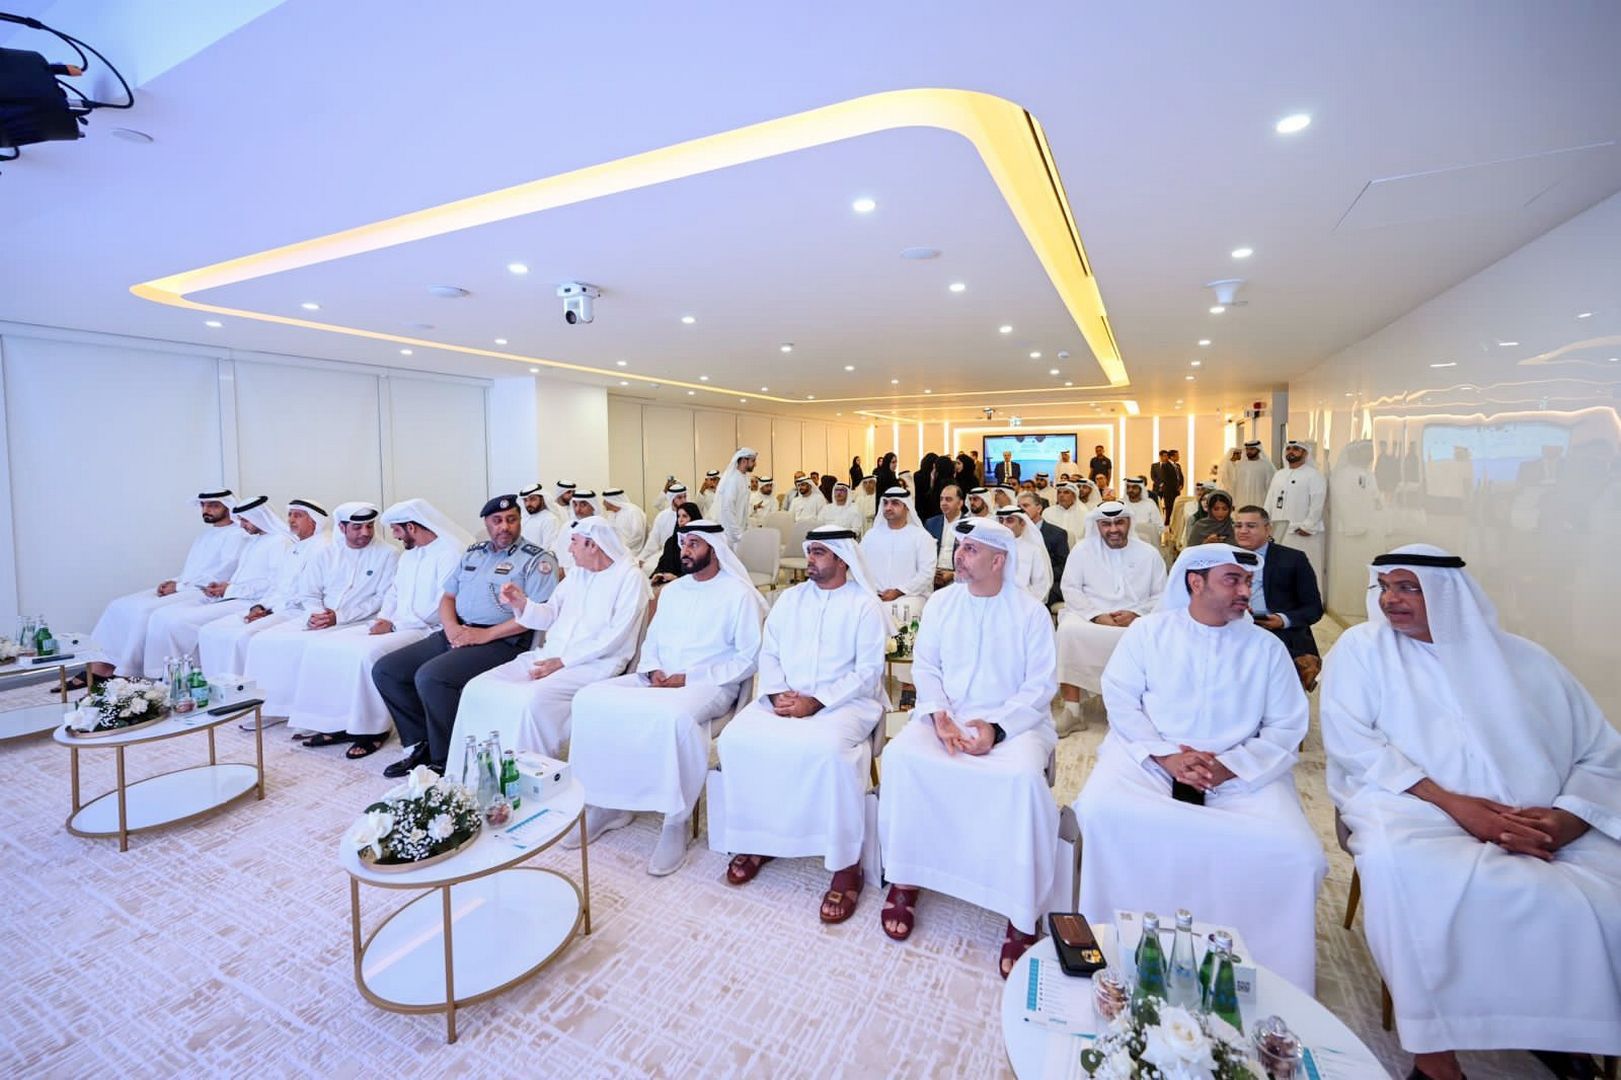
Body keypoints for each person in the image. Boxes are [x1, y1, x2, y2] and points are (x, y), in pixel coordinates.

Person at [1321, 546, 1621, 1080]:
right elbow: (1355, 746)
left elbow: (1600, 753)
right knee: (1405, 874)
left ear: (1447, 595)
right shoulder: (1363, 649)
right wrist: (1458, 806)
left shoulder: (1526, 660)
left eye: (1408, 588)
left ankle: (1563, 1031)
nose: (1391, 599)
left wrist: (1566, 820)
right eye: (1385, 586)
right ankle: (1436, 1061)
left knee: (1596, 901)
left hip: (1538, 816)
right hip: (1413, 805)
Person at [1075, 544, 1326, 992]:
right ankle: (1113, 947)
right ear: (1195, 582)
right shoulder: (1150, 632)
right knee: (1098, 813)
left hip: (1240, 774)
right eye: (1233, 580)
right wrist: (1166, 755)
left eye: (1247, 581)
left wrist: (1229, 766)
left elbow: (1287, 726)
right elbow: (1122, 700)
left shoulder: (1266, 648)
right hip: (1151, 761)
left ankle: (1270, 977)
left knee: (1299, 853)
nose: (1245, 591)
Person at [877, 519, 1058, 977]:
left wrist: (996, 729)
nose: (958, 556)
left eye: (971, 550)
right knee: (901, 758)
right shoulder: (942, 603)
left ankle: (1020, 911)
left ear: (999, 560)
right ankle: (906, 876)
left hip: (1014, 724)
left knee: (1021, 780)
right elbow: (926, 667)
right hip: (948, 716)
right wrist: (938, 714)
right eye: (958, 547)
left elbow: (1041, 687)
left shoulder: (1031, 613)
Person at [568, 521, 766, 875]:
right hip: (659, 679)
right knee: (589, 700)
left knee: (674, 719)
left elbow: (748, 658)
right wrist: (652, 669)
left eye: (694, 544)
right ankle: (605, 803)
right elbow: (653, 641)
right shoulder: (672, 592)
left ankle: (676, 821)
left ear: (714, 549)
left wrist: (689, 677)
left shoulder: (739, 594)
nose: (685, 551)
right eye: (683, 543)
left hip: (711, 684)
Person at [714, 525, 889, 922]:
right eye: (810, 551)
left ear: (842, 559)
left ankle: (846, 865)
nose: (810, 558)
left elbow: (867, 672)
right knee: (738, 738)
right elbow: (770, 652)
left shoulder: (864, 605)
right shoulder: (790, 599)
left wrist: (817, 701)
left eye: (819, 553)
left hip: (846, 702)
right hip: (786, 695)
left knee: (827, 752)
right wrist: (777, 692)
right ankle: (760, 838)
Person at [374, 495, 562, 777]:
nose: (504, 526)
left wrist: (484, 635)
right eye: (497, 521)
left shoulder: (537, 560)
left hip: (504, 640)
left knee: (431, 677)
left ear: (519, 521)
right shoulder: (474, 554)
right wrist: (451, 629)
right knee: (387, 670)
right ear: (487, 523)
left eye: (511, 519)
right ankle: (421, 743)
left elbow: (537, 615)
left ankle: (445, 759)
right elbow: (448, 597)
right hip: (460, 630)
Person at [450, 516, 650, 758]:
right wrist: (521, 603)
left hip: (594, 665)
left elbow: (615, 636)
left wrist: (564, 661)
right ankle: (477, 769)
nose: (569, 549)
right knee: (477, 688)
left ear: (592, 545)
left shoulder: (630, 577)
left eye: (574, 542)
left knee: (528, 700)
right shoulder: (577, 575)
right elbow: (549, 614)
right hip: (549, 656)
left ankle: (525, 772)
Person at [289, 499, 469, 758]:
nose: (394, 535)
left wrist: (394, 624)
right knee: (323, 646)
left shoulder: (449, 552)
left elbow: (441, 604)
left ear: (411, 527)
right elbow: (393, 592)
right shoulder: (411, 553)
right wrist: (384, 618)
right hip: (395, 623)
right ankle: (338, 723)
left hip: (425, 628)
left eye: (396, 529)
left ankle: (372, 731)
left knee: (366, 656)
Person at [242, 502, 398, 718]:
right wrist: (315, 614)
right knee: (263, 641)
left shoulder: (388, 554)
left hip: (358, 620)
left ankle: (312, 715)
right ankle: (272, 710)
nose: (365, 532)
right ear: (342, 528)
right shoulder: (327, 553)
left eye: (369, 526)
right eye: (357, 527)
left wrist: (339, 617)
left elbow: (382, 597)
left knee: (313, 649)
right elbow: (309, 592)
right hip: (319, 617)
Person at [87, 489, 249, 681]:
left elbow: (221, 574)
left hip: (204, 591)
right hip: (186, 585)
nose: (206, 510)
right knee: (119, 605)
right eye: (204, 505)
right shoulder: (206, 535)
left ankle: (129, 671)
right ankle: (101, 664)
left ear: (228, 507)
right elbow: (192, 570)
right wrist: (174, 581)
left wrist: (179, 587)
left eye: (214, 505)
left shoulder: (238, 535)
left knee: (145, 612)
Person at [141, 495, 292, 674]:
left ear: (258, 517)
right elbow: (247, 576)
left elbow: (274, 583)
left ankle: (184, 675)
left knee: (178, 623)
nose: (241, 525)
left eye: (245, 520)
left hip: (250, 601)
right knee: (163, 616)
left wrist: (231, 589)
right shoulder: (255, 539)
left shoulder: (280, 542)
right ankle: (168, 675)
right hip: (232, 595)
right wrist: (224, 586)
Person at [1055, 501, 1166, 732]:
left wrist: (1136, 614)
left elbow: (1161, 594)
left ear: (1129, 523)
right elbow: (1071, 589)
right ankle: (1072, 711)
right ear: (1097, 525)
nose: (1113, 529)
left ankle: (1141, 710)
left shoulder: (1149, 553)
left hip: (1137, 616)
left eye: (1119, 522)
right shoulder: (1082, 551)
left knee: (1154, 634)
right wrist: (1096, 616)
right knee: (1067, 631)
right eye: (1106, 524)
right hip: (1090, 614)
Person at [197, 499, 331, 679]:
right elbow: (278, 585)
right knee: (210, 630)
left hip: (298, 611)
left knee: (242, 637)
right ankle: (216, 682)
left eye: (298, 516)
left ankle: (240, 686)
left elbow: (307, 594)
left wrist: (270, 609)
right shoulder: (297, 547)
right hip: (275, 605)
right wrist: (261, 606)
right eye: (290, 515)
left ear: (314, 520)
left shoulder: (323, 548)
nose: (291, 520)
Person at [1231, 505, 1322, 685]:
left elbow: (1314, 609)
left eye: (1251, 526)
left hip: (1280, 633)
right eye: (1238, 525)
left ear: (1268, 529)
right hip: (1234, 629)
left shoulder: (1293, 559)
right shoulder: (1225, 558)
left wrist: (1282, 620)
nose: (1243, 531)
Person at [858, 487, 935, 626]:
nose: (888, 507)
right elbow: (860, 567)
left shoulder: (921, 537)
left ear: (907, 507)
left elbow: (926, 574)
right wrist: (873, 592)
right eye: (885, 503)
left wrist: (898, 591)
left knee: (897, 611)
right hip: (874, 596)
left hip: (910, 596)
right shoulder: (871, 536)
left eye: (895, 503)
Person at [1264, 440, 1328, 587]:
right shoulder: (1279, 474)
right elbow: (1270, 500)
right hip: (1279, 532)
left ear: (1305, 453)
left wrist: (1308, 526)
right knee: (1281, 568)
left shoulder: (1314, 475)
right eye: (1289, 449)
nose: (1291, 452)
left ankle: (1310, 598)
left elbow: (1318, 502)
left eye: (1296, 449)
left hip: (1302, 533)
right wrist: (1265, 523)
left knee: (1306, 569)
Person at [1016, 492, 1069, 606]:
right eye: (1019, 507)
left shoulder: (1057, 534)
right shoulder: (1015, 533)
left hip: (1050, 583)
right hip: (1021, 582)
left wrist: (1041, 574)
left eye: (1026, 506)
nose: (1021, 510)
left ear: (1039, 508)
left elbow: (1064, 566)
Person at [994, 507, 1052, 604]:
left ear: (1022, 524)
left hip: (1024, 604)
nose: (1003, 525)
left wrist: (1023, 605)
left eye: (1009, 521)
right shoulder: (991, 548)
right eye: (1001, 520)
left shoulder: (1033, 550)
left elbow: (1041, 586)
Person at [923, 483, 965, 589]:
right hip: (933, 577)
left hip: (959, 579)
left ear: (960, 503)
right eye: (941, 499)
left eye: (948, 499)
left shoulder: (968, 525)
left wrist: (953, 574)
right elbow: (923, 553)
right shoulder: (931, 523)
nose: (943, 503)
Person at [638, 483, 688, 568]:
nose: (684, 500)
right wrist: (643, 557)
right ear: (672, 499)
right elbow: (654, 539)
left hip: (684, 554)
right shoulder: (662, 516)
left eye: (685, 497)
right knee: (647, 567)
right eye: (679, 497)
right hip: (665, 553)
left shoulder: (689, 515)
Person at [649, 501, 701, 584]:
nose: (680, 520)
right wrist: (658, 574)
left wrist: (677, 578)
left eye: (685, 516)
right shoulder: (671, 542)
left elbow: (701, 570)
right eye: (678, 516)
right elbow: (662, 565)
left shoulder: (701, 543)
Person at [1232, 440, 1277, 510]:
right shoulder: (1239, 465)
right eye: (1247, 449)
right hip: (1241, 503)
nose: (1249, 451)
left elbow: (1272, 487)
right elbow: (1234, 485)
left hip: (1260, 503)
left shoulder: (1267, 466)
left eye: (1252, 449)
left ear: (1258, 450)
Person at [1121, 476, 1163, 546]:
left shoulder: (1150, 504)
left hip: (1147, 542)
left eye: (1134, 487)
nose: (1130, 490)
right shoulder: (1121, 504)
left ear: (1141, 489)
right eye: (1128, 487)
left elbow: (1159, 526)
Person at [518, 483, 562, 552]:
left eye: (532, 499)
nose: (528, 504)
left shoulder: (550, 519)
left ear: (542, 499)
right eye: (525, 500)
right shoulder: (524, 518)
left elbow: (548, 548)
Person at [602, 488, 647, 552]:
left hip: (633, 552)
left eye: (605, 501)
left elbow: (638, 535)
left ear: (611, 501)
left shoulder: (633, 512)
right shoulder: (611, 514)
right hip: (616, 551)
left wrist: (623, 547)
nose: (603, 503)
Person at [1044, 483, 1086, 549]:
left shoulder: (1084, 513)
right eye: (1059, 492)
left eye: (1066, 492)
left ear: (1074, 496)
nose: (1061, 495)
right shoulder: (1047, 512)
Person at [1151, 449, 1183, 513]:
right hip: (1159, 488)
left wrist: (1181, 484)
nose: (1166, 457)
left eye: (1167, 456)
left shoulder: (1176, 466)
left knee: (1171, 506)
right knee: (1157, 504)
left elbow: (1180, 476)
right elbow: (1153, 477)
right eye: (1164, 456)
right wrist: (1161, 484)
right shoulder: (1155, 465)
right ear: (1160, 456)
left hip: (1171, 489)